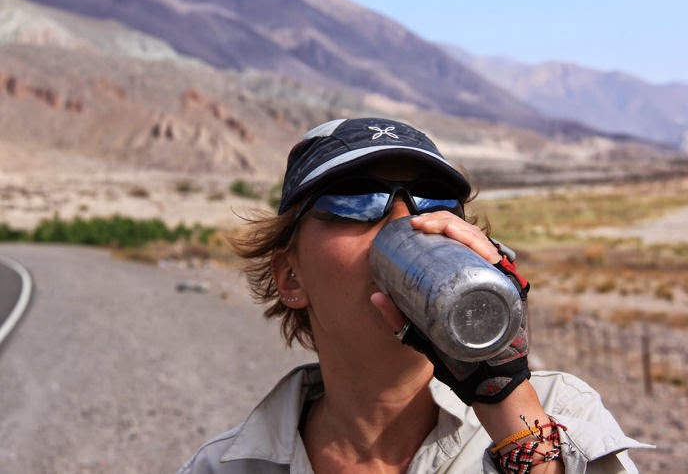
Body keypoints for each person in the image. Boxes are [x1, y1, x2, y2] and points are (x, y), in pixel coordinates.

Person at [178, 117, 648, 473]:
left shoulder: (555, 409)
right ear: (291, 277)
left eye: (435, 201)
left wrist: (503, 395)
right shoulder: (228, 467)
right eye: (355, 199)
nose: (406, 221)